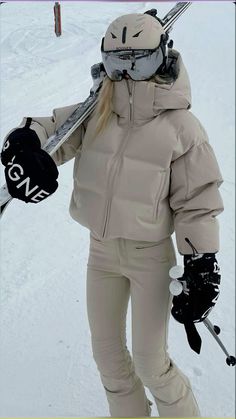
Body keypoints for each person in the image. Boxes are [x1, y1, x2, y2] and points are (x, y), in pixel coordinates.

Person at [1, 11, 224, 418]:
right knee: (107, 358)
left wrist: (201, 262)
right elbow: (53, 128)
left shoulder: (182, 128)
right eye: (117, 63)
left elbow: (198, 202)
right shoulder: (96, 111)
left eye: (140, 62)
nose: (126, 75)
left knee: (150, 363)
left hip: (150, 258)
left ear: (163, 57)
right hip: (101, 254)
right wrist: (25, 142)